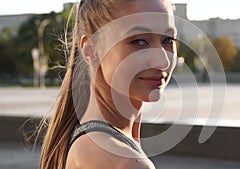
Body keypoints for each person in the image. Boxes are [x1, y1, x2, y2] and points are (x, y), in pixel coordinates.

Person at [39, 0, 177, 168]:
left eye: (168, 40)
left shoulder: (87, 142)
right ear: (91, 49)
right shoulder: (125, 162)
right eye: (139, 42)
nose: (162, 61)